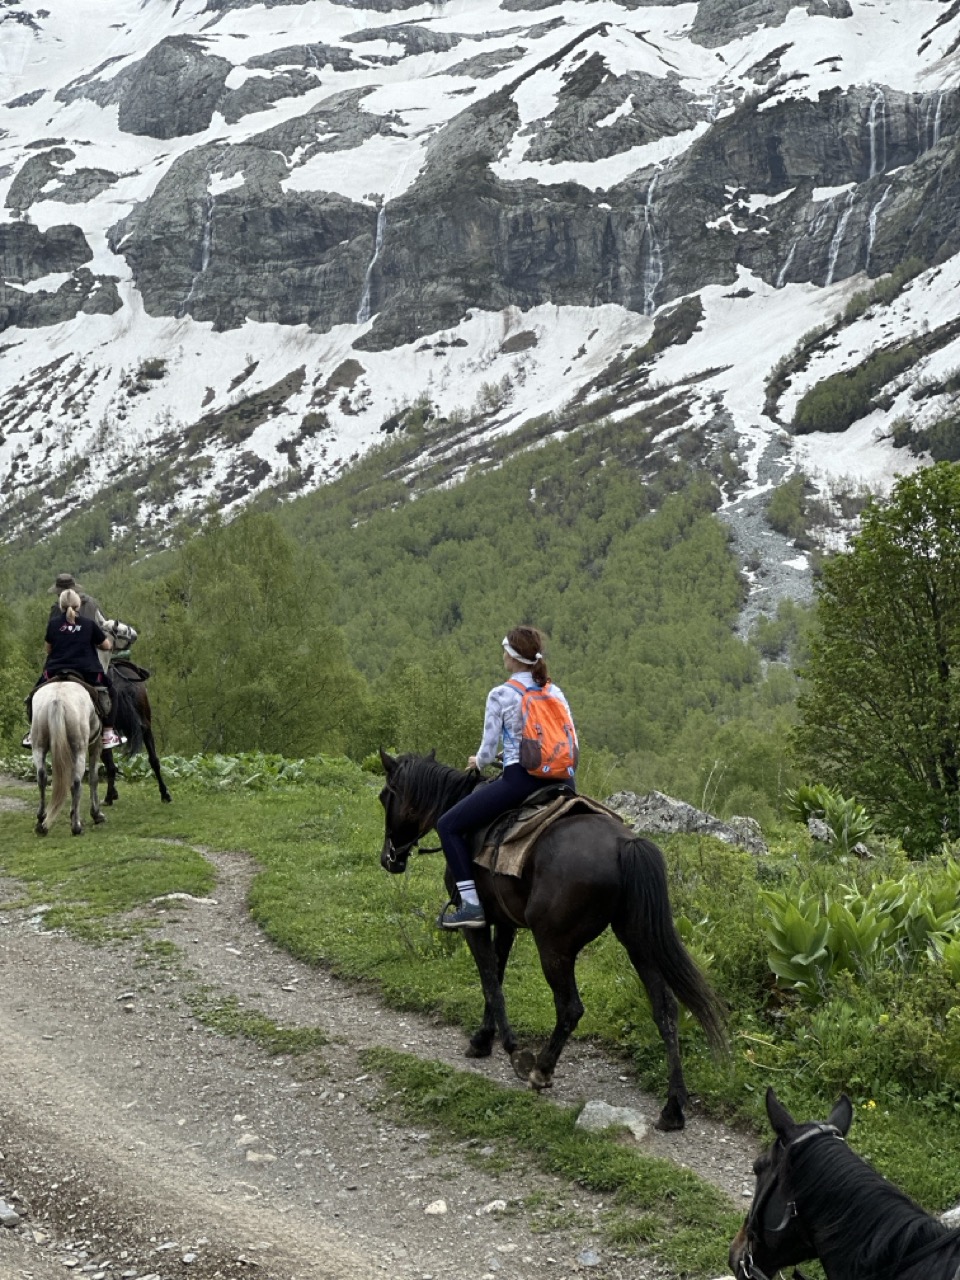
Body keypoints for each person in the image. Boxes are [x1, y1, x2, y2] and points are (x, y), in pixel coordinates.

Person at [436, 626, 578, 930]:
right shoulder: (555, 692)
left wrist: (479, 762)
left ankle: (471, 906)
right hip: (564, 782)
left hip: (521, 780)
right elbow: (571, 741)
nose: (502, 655)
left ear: (512, 657)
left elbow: (487, 751)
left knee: (448, 825)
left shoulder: (501, 694)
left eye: (505, 650)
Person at [23, 586, 121, 749]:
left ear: (61, 606)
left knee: (33, 696)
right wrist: (109, 641)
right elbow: (105, 646)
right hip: (87, 671)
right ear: (79, 606)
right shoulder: (89, 624)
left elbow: (48, 649)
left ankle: (33, 734)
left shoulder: (53, 624)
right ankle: (108, 733)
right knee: (112, 692)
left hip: (55, 669)